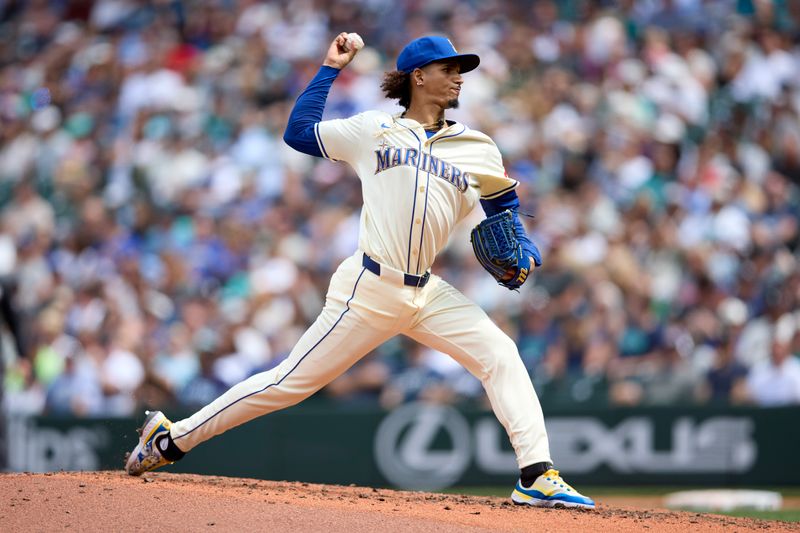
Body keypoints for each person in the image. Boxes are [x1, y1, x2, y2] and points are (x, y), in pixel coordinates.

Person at [124, 33, 595, 509]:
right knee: (287, 385)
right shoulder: (373, 129)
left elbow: (502, 202)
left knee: (501, 354)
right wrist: (331, 67)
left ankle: (536, 473)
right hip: (368, 287)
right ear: (419, 75)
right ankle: (172, 437)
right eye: (449, 68)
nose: (458, 78)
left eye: (461, 70)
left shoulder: (477, 147)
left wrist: (521, 238)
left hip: (427, 292)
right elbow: (299, 132)